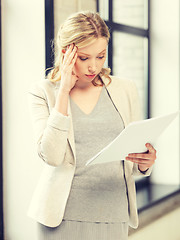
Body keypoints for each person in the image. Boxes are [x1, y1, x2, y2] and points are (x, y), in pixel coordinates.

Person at [27, 11, 156, 240]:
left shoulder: (125, 89)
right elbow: (52, 156)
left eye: (101, 56)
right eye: (84, 58)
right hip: (62, 218)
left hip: (114, 215)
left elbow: (133, 160)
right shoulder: (43, 92)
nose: (93, 67)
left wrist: (145, 163)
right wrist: (64, 91)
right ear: (66, 53)